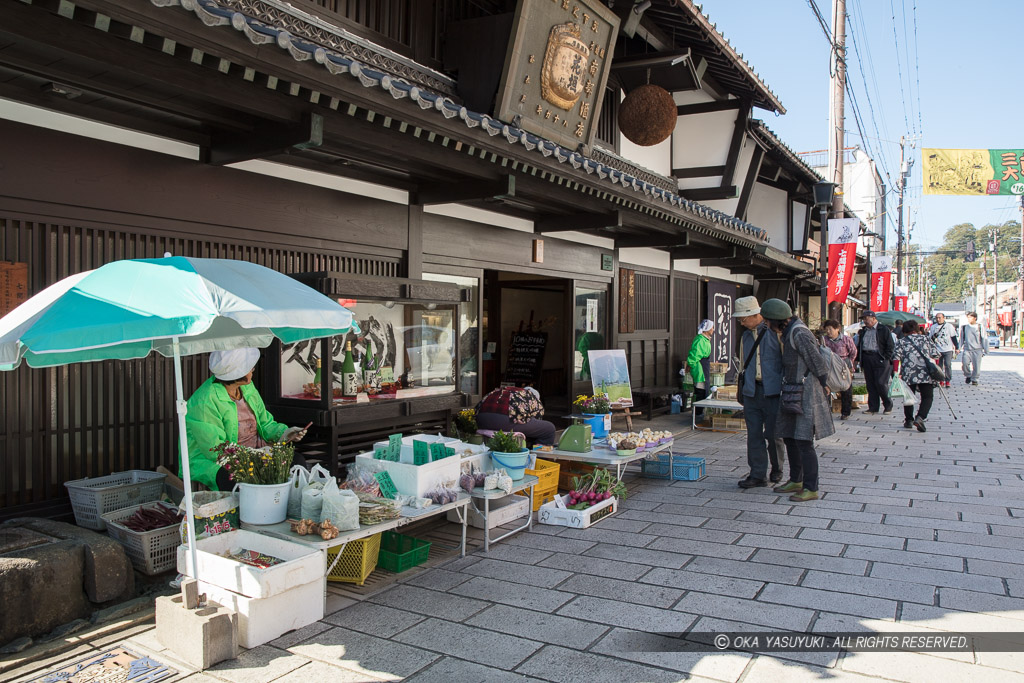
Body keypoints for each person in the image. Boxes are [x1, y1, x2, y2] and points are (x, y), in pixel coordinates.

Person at [183, 348, 308, 491]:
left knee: (296, 462)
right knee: (236, 478)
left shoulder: (247, 388)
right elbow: (215, 450)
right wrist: (256, 455)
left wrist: (285, 433)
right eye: (249, 367)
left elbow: (265, 423)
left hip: (254, 453)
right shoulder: (205, 401)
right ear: (237, 373)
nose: (253, 368)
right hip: (213, 461)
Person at [760, 299, 834, 503]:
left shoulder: (799, 333)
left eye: (767, 321)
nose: (767, 325)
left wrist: (825, 382)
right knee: (790, 436)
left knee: (803, 440)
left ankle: (811, 487)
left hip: (806, 392)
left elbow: (816, 361)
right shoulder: (789, 331)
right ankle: (796, 479)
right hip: (792, 389)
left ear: (776, 319)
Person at [733, 297, 784, 487]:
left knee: (773, 434)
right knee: (753, 434)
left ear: (755, 315)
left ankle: (777, 468)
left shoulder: (775, 332)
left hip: (773, 391)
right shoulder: (745, 336)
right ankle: (757, 473)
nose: (741, 322)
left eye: (743, 318)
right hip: (751, 390)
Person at [896, 321, 940, 432]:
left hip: (908, 372)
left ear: (904, 330)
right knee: (927, 397)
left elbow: (895, 358)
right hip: (925, 372)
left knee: (908, 397)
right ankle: (920, 417)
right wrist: (936, 369)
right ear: (917, 329)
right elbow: (936, 355)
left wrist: (896, 373)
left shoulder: (901, 341)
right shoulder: (926, 339)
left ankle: (909, 420)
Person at [476, 385, 556, 445]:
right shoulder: (529, 395)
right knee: (549, 429)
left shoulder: (503, 390)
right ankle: (537, 458)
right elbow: (538, 417)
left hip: (481, 419)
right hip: (505, 420)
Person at [855, 310, 895, 415]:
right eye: (863, 319)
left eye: (866, 318)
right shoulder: (863, 331)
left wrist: (886, 357)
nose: (865, 321)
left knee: (881, 383)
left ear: (873, 318)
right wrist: (858, 359)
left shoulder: (883, 329)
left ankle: (888, 405)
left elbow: (890, 345)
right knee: (870, 384)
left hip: (880, 358)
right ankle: (873, 407)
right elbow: (859, 346)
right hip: (867, 357)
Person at [822, 320, 857, 420]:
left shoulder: (846, 339)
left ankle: (845, 412)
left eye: (830, 329)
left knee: (846, 388)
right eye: (826, 329)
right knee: (826, 388)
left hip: (843, 367)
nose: (828, 332)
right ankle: (826, 411)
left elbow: (853, 352)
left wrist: (848, 364)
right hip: (828, 367)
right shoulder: (824, 340)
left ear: (837, 329)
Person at [686, 319, 714, 420]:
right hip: (700, 369)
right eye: (712, 327)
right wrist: (691, 365)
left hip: (703, 367)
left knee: (702, 390)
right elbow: (694, 356)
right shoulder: (700, 340)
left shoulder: (704, 339)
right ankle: (698, 414)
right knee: (700, 391)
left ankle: (699, 412)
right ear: (706, 329)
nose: (713, 329)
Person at [927, 312, 958, 388]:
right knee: (939, 366)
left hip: (948, 349)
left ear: (943, 318)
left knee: (948, 365)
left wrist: (957, 347)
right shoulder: (933, 327)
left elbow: (953, 337)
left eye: (940, 317)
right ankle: (940, 380)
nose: (938, 319)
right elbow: (930, 339)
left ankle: (947, 380)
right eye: (937, 318)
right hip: (938, 349)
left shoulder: (949, 326)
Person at [960, 312, 986, 385]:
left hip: (977, 349)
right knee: (965, 364)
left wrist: (985, 350)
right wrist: (958, 348)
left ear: (975, 318)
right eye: (968, 317)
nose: (969, 319)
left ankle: (974, 379)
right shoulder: (964, 327)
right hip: (967, 349)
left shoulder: (980, 327)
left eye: (970, 317)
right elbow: (961, 339)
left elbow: (984, 338)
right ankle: (968, 375)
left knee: (976, 366)